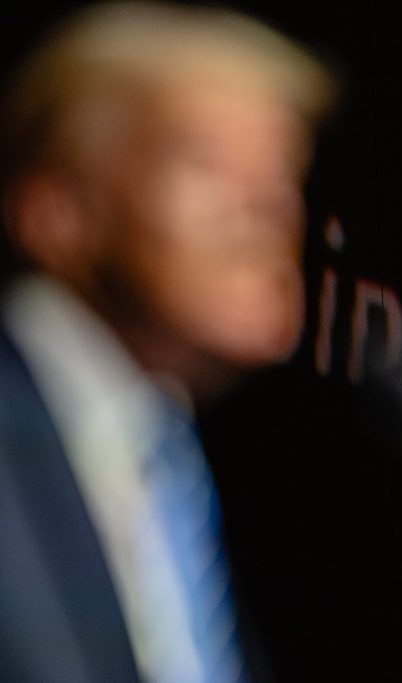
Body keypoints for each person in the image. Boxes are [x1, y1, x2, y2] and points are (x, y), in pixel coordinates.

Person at [0, 2, 334, 682]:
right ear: (57, 211)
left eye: (282, 173)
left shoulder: (165, 455)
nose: (269, 207)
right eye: (209, 166)